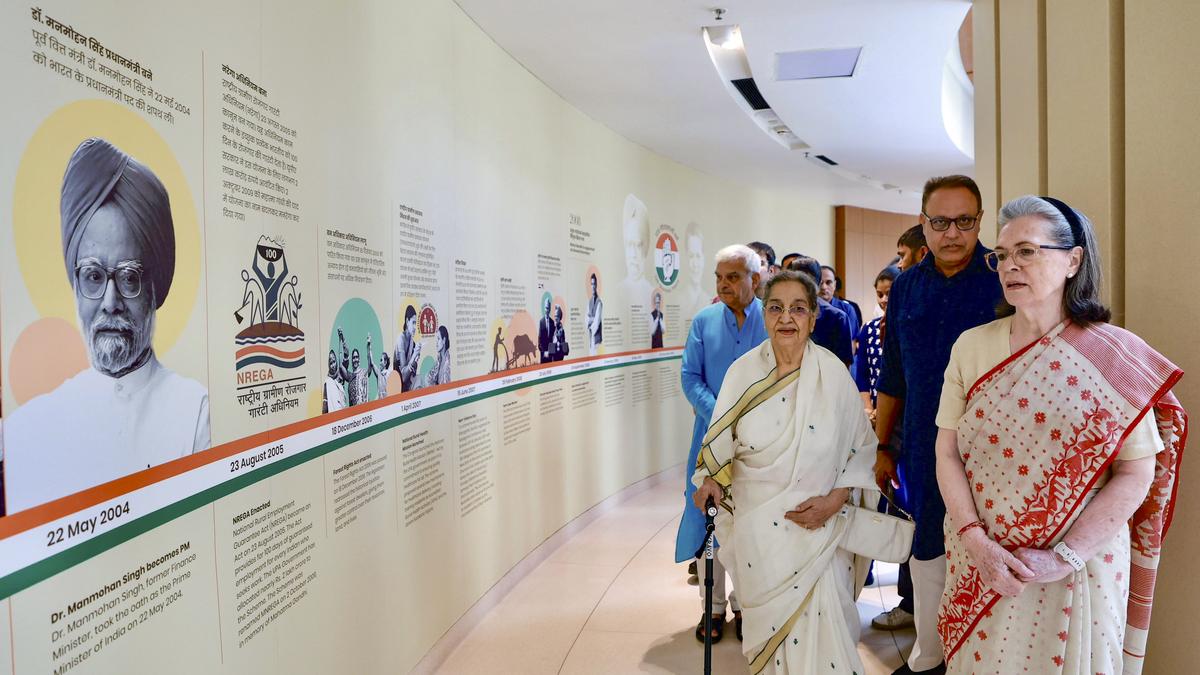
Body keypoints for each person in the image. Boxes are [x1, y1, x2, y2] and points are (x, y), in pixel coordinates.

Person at [934, 195, 1185, 673]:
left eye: (1027, 251)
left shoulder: (1114, 357)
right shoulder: (971, 346)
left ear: (1073, 259)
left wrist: (1064, 557)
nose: (1010, 265)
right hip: (984, 560)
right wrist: (975, 541)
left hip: (1078, 568)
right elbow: (946, 452)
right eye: (1002, 255)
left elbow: (1137, 471)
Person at [0, 138, 210, 513]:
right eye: (94, 276)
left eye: (128, 278)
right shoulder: (27, 432)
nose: (110, 302)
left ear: (153, 288)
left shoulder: (194, 413)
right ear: (75, 283)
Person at [691, 270, 880, 673]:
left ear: (814, 316)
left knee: (828, 635)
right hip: (760, 532)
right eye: (776, 308)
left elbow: (861, 450)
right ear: (765, 314)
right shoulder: (742, 374)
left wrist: (835, 500)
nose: (787, 318)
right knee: (770, 638)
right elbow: (718, 442)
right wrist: (710, 479)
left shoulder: (833, 376)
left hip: (820, 531)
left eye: (798, 308)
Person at [873, 175, 1003, 675]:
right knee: (926, 544)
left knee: (986, 546)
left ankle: (980, 659)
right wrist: (884, 446)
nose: (953, 233)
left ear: (980, 220)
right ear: (924, 223)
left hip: (995, 449)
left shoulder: (1003, 276)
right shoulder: (905, 287)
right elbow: (894, 374)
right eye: (941, 222)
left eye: (964, 221)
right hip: (924, 446)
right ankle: (931, 657)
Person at [676, 244, 767, 644]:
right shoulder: (704, 320)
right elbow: (689, 377)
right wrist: (722, 413)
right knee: (710, 526)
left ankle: (747, 606)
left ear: (755, 280)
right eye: (719, 277)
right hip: (709, 440)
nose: (724, 284)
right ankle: (711, 609)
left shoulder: (772, 319)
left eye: (733, 276)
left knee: (751, 527)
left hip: (762, 443)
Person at [786, 256, 854, 366]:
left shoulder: (837, 318)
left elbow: (844, 364)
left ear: (817, 285)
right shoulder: (781, 313)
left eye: (807, 283)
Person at [854, 266, 899, 418]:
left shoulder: (909, 328)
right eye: (880, 295)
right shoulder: (868, 328)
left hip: (901, 409)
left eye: (889, 294)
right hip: (873, 409)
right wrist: (868, 408)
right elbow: (862, 374)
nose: (884, 300)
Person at [620, 194, 654, 302]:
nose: (633, 254)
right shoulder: (617, 293)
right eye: (630, 244)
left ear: (646, 247)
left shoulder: (652, 295)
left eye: (638, 245)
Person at [820, 265, 862, 336]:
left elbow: (851, 342)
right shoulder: (808, 309)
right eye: (820, 282)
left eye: (828, 282)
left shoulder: (847, 309)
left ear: (835, 285)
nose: (824, 287)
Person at [683, 223, 710, 323]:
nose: (695, 264)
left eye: (698, 256)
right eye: (691, 256)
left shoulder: (709, 301)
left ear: (704, 258)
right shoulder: (678, 300)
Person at [393, 305, 421, 391]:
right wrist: (414, 355)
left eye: (416, 324)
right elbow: (404, 377)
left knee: (420, 380)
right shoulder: (400, 339)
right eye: (413, 322)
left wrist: (415, 361)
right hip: (398, 387)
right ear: (407, 321)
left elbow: (412, 372)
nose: (415, 327)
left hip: (407, 386)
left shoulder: (412, 342)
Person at [323, 349, 348, 413]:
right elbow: (325, 406)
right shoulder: (327, 382)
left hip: (344, 413)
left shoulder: (341, 375)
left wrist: (343, 341)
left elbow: (346, 359)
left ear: (336, 361)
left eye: (334, 362)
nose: (333, 366)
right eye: (330, 363)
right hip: (334, 416)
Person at [587, 273, 603, 355]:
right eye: (591, 284)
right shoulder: (589, 302)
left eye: (594, 284)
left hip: (597, 342)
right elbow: (586, 320)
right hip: (590, 341)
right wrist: (591, 319)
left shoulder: (599, 302)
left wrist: (591, 320)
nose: (593, 286)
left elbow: (596, 323)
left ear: (596, 285)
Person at [538, 297, 555, 364]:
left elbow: (553, 339)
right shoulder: (541, 322)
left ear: (550, 309)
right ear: (544, 308)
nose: (547, 310)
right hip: (543, 354)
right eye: (546, 308)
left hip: (550, 354)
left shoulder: (552, 322)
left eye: (548, 308)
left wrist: (550, 352)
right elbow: (540, 339)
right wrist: (544, 352)